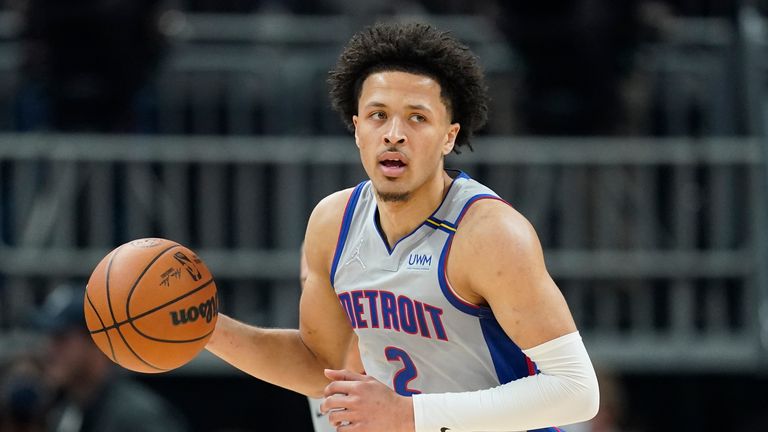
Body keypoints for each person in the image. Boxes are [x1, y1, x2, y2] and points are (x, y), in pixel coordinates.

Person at [206, 21, 599, 431]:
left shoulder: (489, 234)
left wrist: (409, 414)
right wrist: (205, 330)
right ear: (357, 129)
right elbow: (319, 366)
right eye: (378, 116)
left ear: (449, 136)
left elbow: (577, 391)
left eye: (417, 118)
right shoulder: (333, 222)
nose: (394, 134)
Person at [35, 285, 188, 432]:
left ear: (97, 340)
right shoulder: (67, 410)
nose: (49, 351)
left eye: (61, 338)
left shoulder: (136, 418)